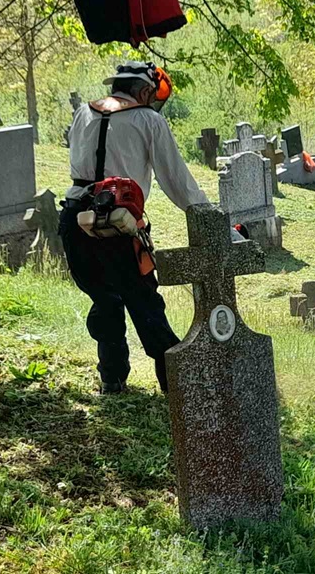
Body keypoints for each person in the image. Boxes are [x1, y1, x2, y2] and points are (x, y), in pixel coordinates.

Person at [59, 61, 208, 394]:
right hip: (118, 225)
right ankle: (178, 387)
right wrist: (209, 216)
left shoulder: (84, 112)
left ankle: (112, 379)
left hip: (74, 219)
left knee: (105, 299)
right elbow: (179, 183)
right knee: (145, 304)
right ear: (143, 91)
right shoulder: (148, 120)